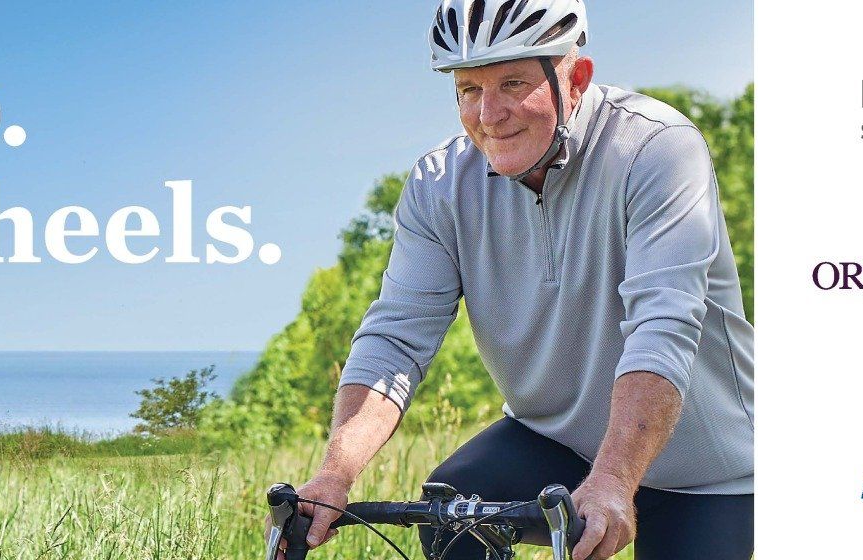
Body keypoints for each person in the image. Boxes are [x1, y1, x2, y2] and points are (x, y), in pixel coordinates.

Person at [293, 1, 754, 558]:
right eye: (468, 89)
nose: (490, 114)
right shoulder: (440, 186)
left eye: (513, 82)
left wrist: (613, 479)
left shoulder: (656, 150)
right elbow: (395, 338)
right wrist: (334, 474)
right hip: (554, 439)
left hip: (707, 469)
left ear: (576, 79)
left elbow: (663, 327)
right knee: (454, 514)